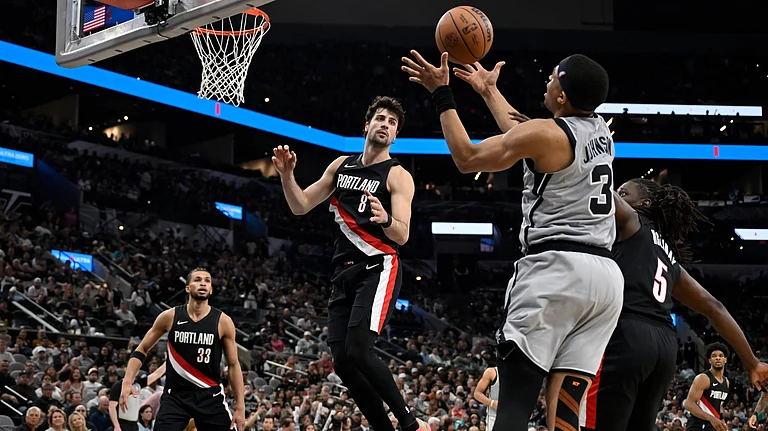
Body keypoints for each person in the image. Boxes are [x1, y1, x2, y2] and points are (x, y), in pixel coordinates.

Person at [403, 51, 621, 431]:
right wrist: (489, 92)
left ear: (562, 96)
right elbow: (527, 135)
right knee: (565, 412)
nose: (547, 81)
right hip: (604, 281)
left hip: (556, 271)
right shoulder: (600, 130)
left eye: (553, 77)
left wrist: (441, 93)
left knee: (513, 404)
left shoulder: (546, 134)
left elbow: (468, 158)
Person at [272, 96, 425, 431]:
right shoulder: (341, 166)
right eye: (380, 119)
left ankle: (409, 423)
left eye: (392, 123)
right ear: (367, 125)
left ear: (395, 135)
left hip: (378, 264)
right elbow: (300, 205)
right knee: (341, 361)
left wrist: (386, 219)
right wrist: (287, 175)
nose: (385, 125)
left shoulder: (398, 175)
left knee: (359, 350)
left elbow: (402, 235)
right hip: (343, 270)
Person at [580, 178, 768, 431]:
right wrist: (752, 362)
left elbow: (597, 183)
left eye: (624, 193)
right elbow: (714, 307)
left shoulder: (632, 221)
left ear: (644, 203)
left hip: (626, 334)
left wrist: (580, 156)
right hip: (664, 347)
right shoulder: (669, 257)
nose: (618, 196)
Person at [119, 268, 245, 431]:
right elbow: (142, 348)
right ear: (187, 288)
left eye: (207, 281)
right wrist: (128, 381)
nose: (203, 283)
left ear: (211, 290)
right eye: (197, 280)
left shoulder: (223, 321)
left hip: (210, 395)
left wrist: (240, 406)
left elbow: (233, 365)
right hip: (176, 396)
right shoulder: (170, 316)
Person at [683, 343, 732, 431]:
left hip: (713, 425)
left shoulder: (726, 382)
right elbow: (689, 404)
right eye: (714, 356)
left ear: (725, 360)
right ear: (709, 360)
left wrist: (722, 422)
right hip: (698, 425)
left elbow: (719, 405)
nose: (718, 358)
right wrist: (711, 418)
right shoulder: (703, 378)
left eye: (721, 356)